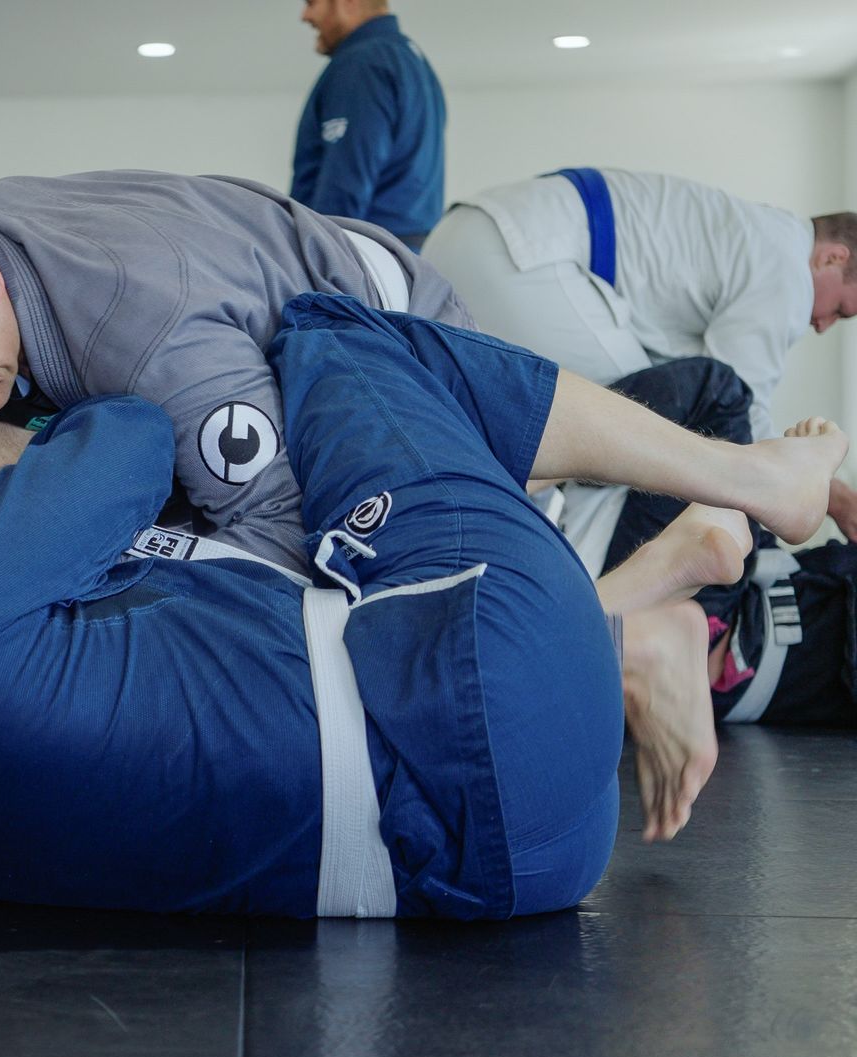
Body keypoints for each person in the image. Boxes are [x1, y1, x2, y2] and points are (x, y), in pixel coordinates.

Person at [0, 293, 849, 920]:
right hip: (494, 677)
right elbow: (140, 438)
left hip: (527, 874)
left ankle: (638, 609)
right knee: (329, 332)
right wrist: (29, 451)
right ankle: (733, 509)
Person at [0, 171, 472, 566]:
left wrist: (53, 472)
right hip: (211, 339)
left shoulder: (144, 325)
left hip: (397, 337)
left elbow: (283, 529)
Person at [421, 169, 857, 449]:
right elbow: (737, 407)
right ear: (832, 258)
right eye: (840, 309)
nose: (822, 325)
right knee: (643, 439)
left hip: (462, 233)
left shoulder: (757, 231)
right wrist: (818, 488)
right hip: (522, 254)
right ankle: (598, 590)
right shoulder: (787, 269)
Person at [548, 356, 857, 727]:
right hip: (742, 597)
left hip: (721, 640)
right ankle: (765, 491)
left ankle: (538, 460)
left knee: (718, 391)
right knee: (722, 406)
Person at [291, 0, 446, 250]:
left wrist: (320, 262)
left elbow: (344, 185)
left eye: (312, 3)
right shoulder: (409, 57)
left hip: (361, 261)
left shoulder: (362, 63)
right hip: (405, 259)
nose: (305, 15)